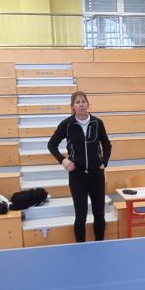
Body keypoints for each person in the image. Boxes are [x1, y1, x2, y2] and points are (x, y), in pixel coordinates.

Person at [46, 91, 112, 243]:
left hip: (96, 175)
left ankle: (100, 245)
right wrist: (63, 160)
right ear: (72, 106)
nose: (81, 104)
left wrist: (104, 162)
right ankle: (80, 247)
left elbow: (107, 144)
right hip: (77, 176)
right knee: (81, 216)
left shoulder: (97, 123)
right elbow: (51, 144)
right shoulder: (67, 124)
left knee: (99, 215)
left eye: (83, 101)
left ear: (88, 104)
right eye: (77, 102)